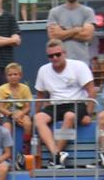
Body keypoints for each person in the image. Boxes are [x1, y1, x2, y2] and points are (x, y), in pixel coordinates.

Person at [33, 39, 96, 169]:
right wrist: (36, 114)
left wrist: (89, 113)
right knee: (38, 118)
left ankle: (55, 157)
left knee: (69, 116)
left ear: (64, 53)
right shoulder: (43, 70)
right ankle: (56, 155)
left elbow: (91, 90)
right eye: (51, 56)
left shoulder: (79, 66)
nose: (54, 58)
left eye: (57, 54)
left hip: (76, 102)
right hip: (55, 104)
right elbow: (39, 96)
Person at [46, 0, 95, 64]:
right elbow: (53, 37)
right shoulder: (54, 12)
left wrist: (63, 32)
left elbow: (87, 36)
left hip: (82, 61)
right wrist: (75, 30)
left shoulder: (88, 11)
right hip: (59, 62)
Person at [0, 62, 33, 155]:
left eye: (15, 74)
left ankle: (26, 147)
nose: (13, 77)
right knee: (6, 129)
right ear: (6, 77)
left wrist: (20, 114)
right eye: (10, 75)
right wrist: (12, 115)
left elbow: (28, 107)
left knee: (28, 123)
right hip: (7, 114)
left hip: (21, 113)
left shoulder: (25, 88)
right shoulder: (1, 89)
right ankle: (7, 153)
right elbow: (0, 107)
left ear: (20, 75)